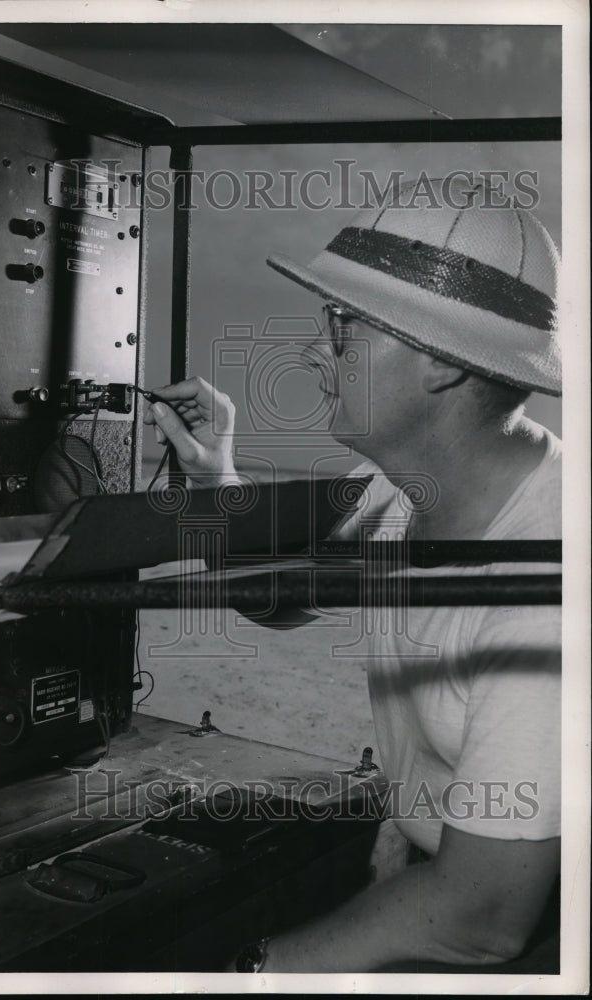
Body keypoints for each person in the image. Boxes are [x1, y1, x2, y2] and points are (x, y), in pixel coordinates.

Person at [143, 177, 562, 973]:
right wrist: (213, 480)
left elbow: (482, 919)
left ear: (439, 363)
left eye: (342, 326)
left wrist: (252, 974)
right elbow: (281, 602)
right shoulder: (406, 490)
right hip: (442, 877)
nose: (314, 349)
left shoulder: (549, 583)